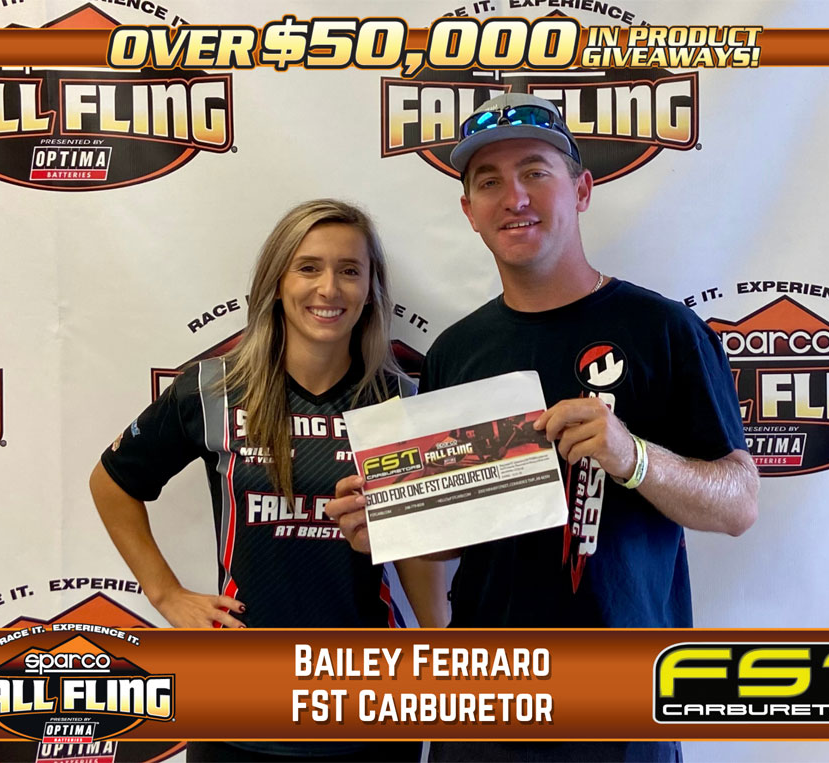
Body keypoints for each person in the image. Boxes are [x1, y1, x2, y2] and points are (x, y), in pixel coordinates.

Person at [326, 95, 759, 762]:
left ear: (580, 191)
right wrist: (391, 521)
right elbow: (448, 541)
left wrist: (634, 458)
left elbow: (738, 503)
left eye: (535, 172)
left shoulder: (664, 330)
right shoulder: (456, 352)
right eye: (489, 182)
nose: (514, 198)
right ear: (469, 210)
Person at [89, 199, 446, 762]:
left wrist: (443, 648)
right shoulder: (212, 391)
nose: (329, 288)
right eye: (308, 267)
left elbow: (418, 552)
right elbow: (112, 483)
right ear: (277, 283)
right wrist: (166, 594)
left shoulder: (399, 403)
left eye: (349, 270)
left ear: (370, 290)